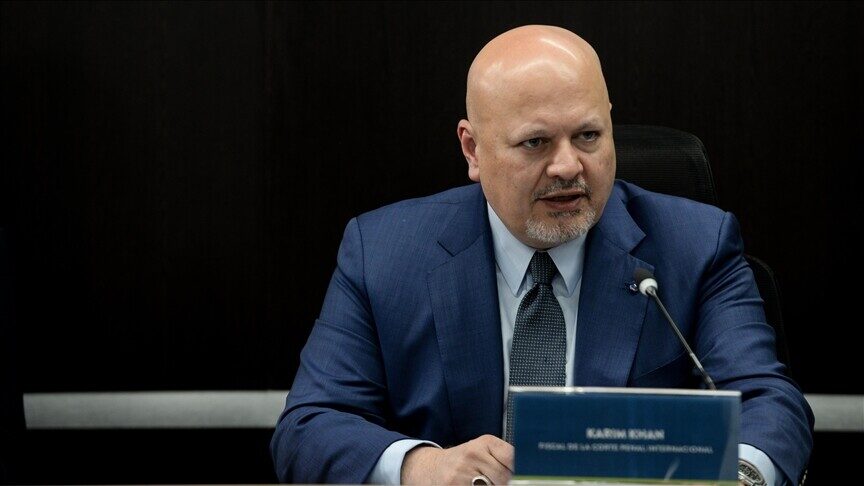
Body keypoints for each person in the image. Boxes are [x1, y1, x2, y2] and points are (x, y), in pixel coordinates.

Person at [270, 25, 813, 485]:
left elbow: (768, 403)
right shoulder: (383, 252)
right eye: (535, 143)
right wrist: (420, 466)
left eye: (588, 135)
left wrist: (740, 476)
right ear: (472, 149)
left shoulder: (696, 245)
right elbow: (310, 426)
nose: (568, 166)